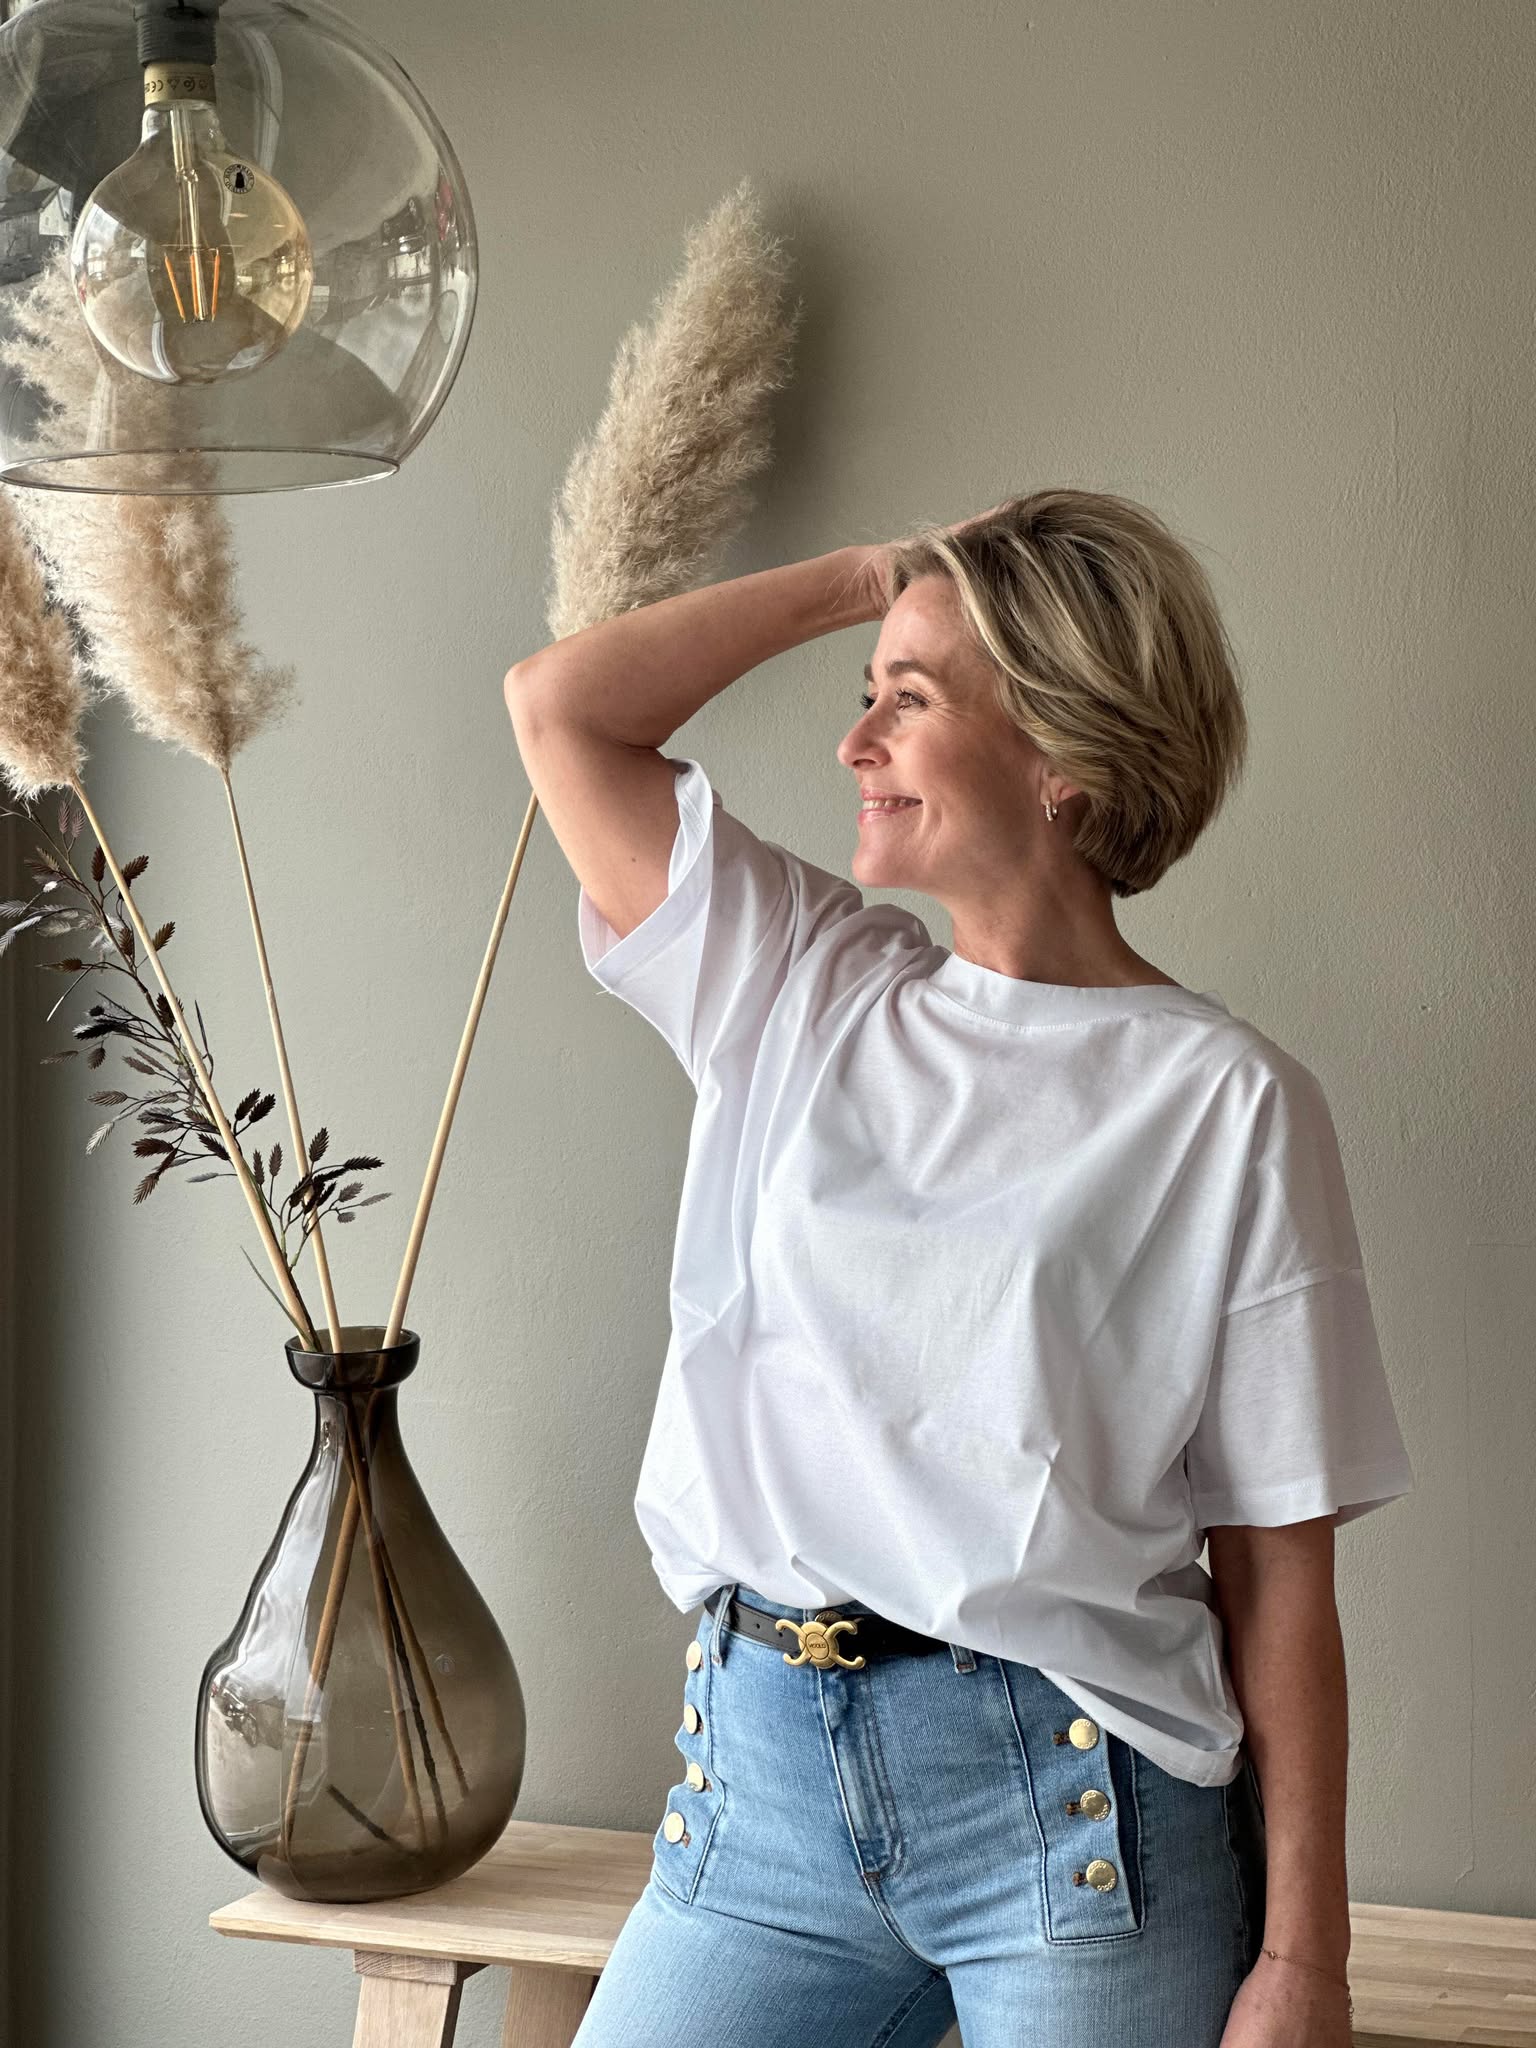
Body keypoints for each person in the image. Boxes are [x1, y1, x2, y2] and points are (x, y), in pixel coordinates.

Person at [502, 491, 1415, 2048]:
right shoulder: (794, 982)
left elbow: (1277, 1569)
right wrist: (883, 574)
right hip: (760, 1796)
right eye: (869, 693)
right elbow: (562, 711)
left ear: (1063, 753)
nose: (855, 743)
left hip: (1079, 1817)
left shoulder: (1227, 1104)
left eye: (909, 700)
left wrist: (1305, 1964)